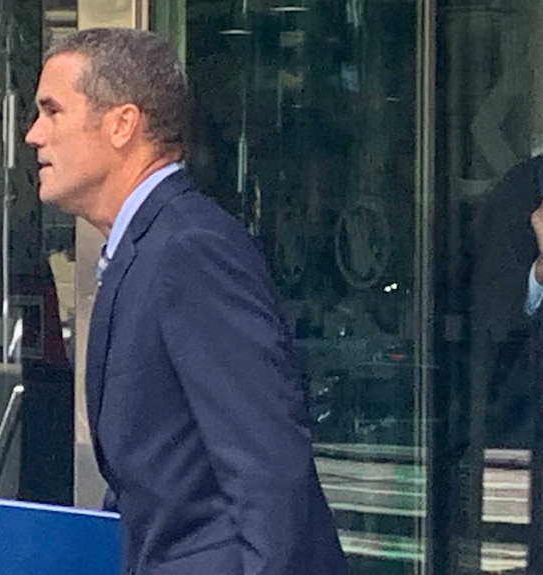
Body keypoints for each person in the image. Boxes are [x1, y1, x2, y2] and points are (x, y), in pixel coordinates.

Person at [25, 28, 347, 575]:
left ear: (122, 124)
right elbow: (166, 484)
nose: (34, 135)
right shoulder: (146, 249)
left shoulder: (190, 249)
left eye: (52, 111)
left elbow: (268, 475)